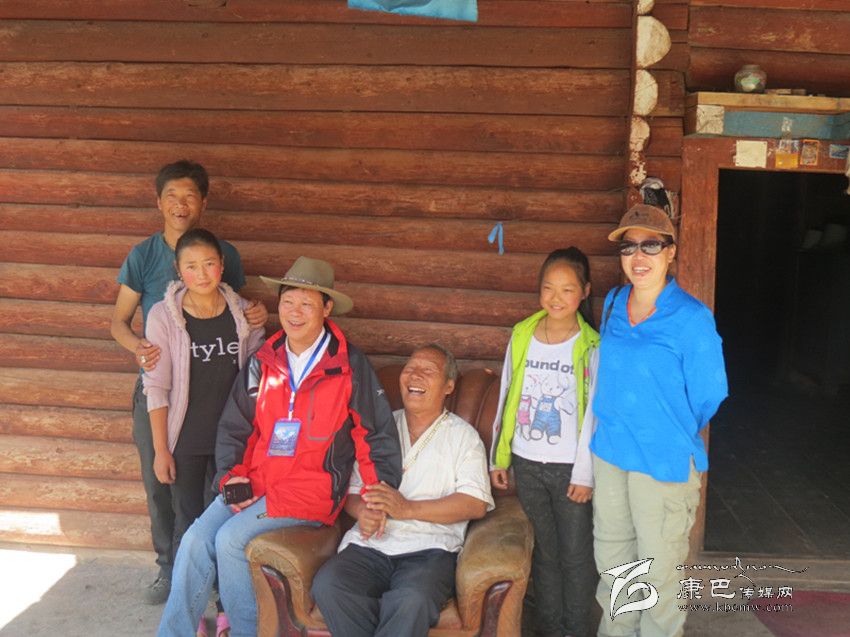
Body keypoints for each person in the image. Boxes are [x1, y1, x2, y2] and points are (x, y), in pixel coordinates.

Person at [157, 256, 403, 637]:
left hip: (309, 491)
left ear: (327, 308)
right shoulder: (265, 359)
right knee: (194, 541)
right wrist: (231, 477)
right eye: (288, 302)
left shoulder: (348, 365)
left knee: (230, 540)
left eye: (306, 303)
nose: (294, 312)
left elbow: (373, 435)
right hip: (257, 482)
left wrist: (377, 496)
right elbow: (236, 426)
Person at [111, 160, 268, 604]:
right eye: (172, 196)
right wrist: (140, 347)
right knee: (163, 482)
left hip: (213, 395)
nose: (180, 205)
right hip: (160, 385)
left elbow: (232, 308)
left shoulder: (226, 254)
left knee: (215, 493)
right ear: (158, 202)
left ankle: (214, 579)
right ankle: (171, 570)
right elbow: (119, 321)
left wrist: (257, 313)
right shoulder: (144, 256)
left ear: (203, 203)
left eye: (190, 196)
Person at [591, 204, 728, 637]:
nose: (639, 256)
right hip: (611, 453)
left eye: (651, 245)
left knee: (659, 575)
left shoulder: (692, 318)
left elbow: (709, 395)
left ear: (671, 252)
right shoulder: (613, 303)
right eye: (629, 247)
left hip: (663, 461)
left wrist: (662, 425)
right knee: (616, 566)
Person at [312, 344, 494, 637]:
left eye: (428, 371)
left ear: (448, 386)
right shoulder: (378, 429)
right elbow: (353, 491)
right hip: (370, 546)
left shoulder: (463, 436)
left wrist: (407, 509)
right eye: (410, 369)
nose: (415, 376)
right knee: (329, 585)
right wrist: (362, 512)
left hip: (430, 550)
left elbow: (475, 503)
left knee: (411, 601)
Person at [142, 228, 265, 637]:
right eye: (191, 266)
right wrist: (161, 450)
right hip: (187, 441)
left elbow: (258, 377)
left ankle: (226, 612)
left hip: (234, 443)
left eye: (209, 263)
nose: (201, 273)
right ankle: (194, 616)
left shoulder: (243, 313)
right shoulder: (163, 317)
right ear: (178, 270)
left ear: (222, 265)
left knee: (230, 525)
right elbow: (156, 387)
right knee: (189, 526)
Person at [489, 247, 600, 637]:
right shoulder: (523, 334)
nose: (556, 297)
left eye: (567, 289)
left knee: (576, 554)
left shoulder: (591, 345)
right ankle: (552, 629)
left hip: (570, 469)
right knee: (546, 552)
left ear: (585, 291)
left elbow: (594, 414)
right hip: (527, 462)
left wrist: (585, 474)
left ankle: (577, 629)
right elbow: (507, 394)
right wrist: (499, 457)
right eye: (549, 287)